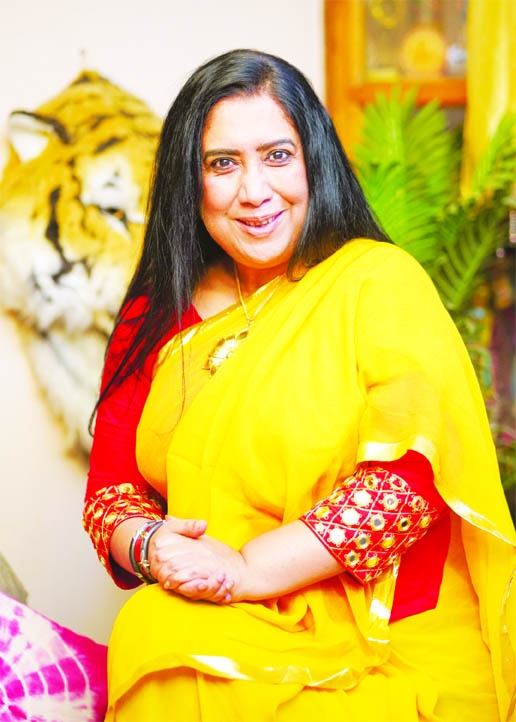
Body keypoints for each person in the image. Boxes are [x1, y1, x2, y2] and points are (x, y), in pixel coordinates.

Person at [83, 49, 516, 722]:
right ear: (189, 181)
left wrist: (249, 570)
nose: (255, 191)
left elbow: (412, 480)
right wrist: (151, 545)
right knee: (153, 631)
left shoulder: (375, 281)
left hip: (383, 630)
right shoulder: (156, 313)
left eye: (277, 155)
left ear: (314, 161)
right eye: (222, 164)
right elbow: (111, 490)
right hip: (218, 611)